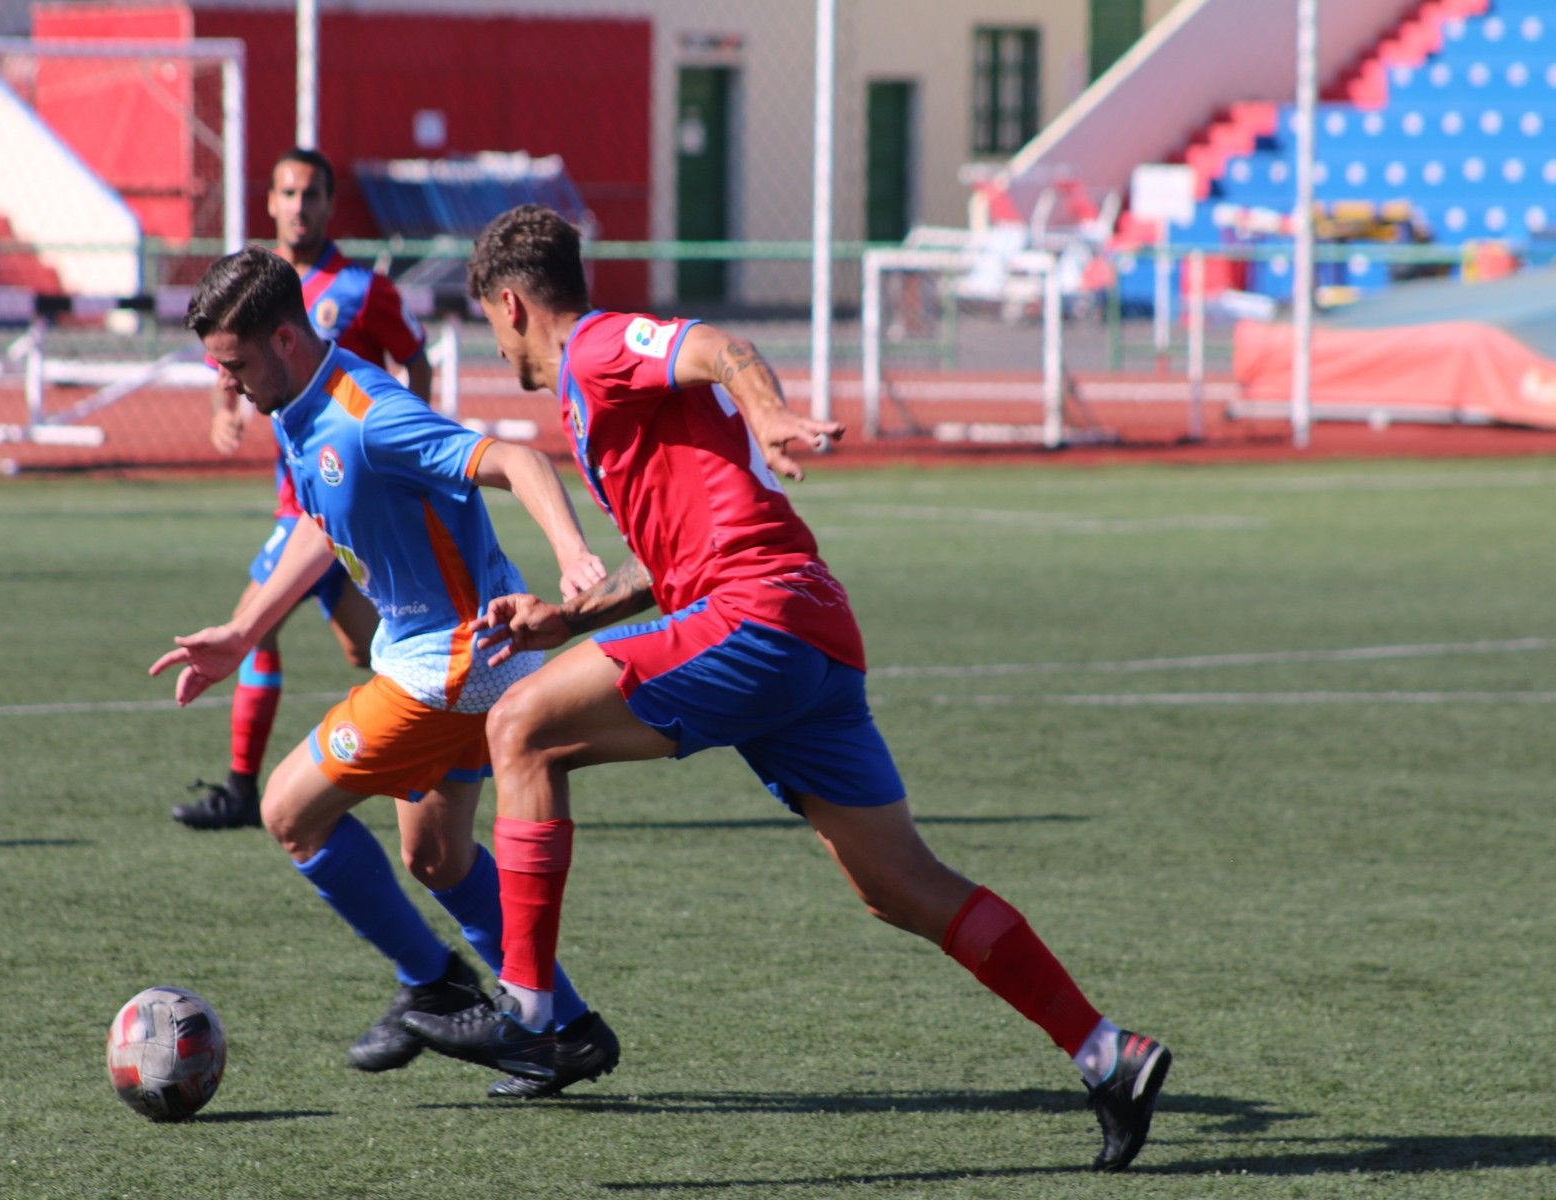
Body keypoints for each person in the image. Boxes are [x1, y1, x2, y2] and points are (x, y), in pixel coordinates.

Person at [400, 205, 1172, 1169]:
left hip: (757, 616)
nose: (494, 343)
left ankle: (533, 1010)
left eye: (487, 324)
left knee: (520, 724)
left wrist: (767, 414)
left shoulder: (595, 348)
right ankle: (1107, 1053)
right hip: (807, 629)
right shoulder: (602, 391)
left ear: (508, 305)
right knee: (901, 886)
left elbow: (722, 346)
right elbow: (678, 558)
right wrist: (568, 617)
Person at [151, 244, 620, 1097]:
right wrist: (245, 629)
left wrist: (575, 555)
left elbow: (517, 461)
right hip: (458, 658)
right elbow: (319, 523)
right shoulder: (299, 403)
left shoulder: (369, 413)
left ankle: (434, 983)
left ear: (287, 338)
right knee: (438, 857)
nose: (231, 385)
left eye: (237, 364)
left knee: (290, 810)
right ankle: (564, 1031)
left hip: (452, 666)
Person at [176, 146, 434, 832]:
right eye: (287, 193)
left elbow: (415, 357)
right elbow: (227, 366)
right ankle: (439, 742)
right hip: (302, 506)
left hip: (332, 507)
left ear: (328, 205)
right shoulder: (253, 288)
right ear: (270, 202)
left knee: (264, 630)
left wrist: (409, 446)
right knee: (338, 644)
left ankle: (244, 788)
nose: (298, 206)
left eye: (311, 194)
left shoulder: (360, 290)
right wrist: (223, 410)